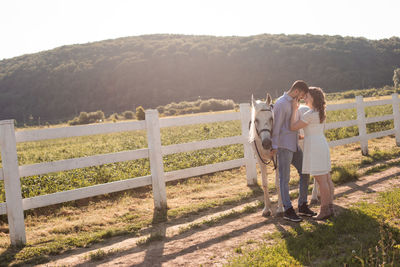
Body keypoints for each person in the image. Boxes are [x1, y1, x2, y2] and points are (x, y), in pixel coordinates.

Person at [271, 80, 316, 222]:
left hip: (295, 145)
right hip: (284, 146)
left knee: (305, 171)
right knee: (285, 178)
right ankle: (287, 210)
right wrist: (274, 146)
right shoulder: (281, 103)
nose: (303, 97)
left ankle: (302, 205)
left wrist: (298, 135)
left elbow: (293, 123)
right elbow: (277, 127)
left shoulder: (294, 103)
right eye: (302, 94)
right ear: (296, 91)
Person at [290, 87, 334, 220]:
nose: (305, 98)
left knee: (321, 181)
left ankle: (324, 210)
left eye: (307, 96)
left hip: (315, 148)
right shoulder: (320, 112)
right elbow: (313, 131)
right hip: (321, 144)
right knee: (326, 178)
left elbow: (292, 126)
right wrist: (302, 137)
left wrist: (293, 110)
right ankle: (329, 207)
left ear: (314, 98)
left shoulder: (309, 114)